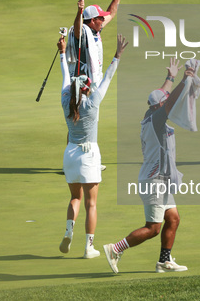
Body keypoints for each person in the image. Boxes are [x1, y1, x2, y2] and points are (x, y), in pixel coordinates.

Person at [103, 58, 199, 274]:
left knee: (173, 218)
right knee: (153, 228)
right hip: (154, 180)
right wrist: (184, 81)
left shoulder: (151, 113)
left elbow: (162, 96)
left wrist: (171, 77)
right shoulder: (157, 118)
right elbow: (170, 100)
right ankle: (115, 249)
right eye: (163, 104)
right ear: (159, 107)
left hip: (160, 180)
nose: (166, 105)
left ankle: (164, 261)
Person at [58, 32, 128, 259]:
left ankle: (69, 230)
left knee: (75, 198)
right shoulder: (93, 104)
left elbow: (66, 77)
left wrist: (62, 54)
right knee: (92, 204)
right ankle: (89, 247)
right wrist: (117, 55)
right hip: (89, 155)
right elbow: (107, 78)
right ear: (87, 89)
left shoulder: (65, 100)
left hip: (70, 154)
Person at [66, 0, 127, 86]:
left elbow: (111, 14)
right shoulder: (83, 34)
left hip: (93, 82)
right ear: (93, 20)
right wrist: (79, 12)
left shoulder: (95, 30)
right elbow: (77, 29)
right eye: (101, 18)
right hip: (81, 85)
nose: (103, 20)